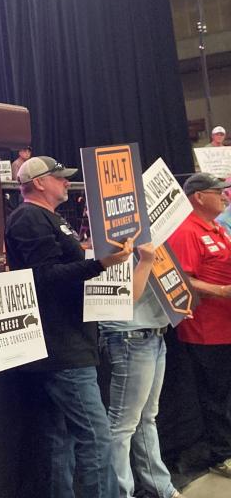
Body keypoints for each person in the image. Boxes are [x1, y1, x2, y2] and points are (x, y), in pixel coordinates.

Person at [5, 156, 136, 498]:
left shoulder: (47, 217)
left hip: (66, 340)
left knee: (58, 438)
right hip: (61, 346)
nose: (66, 182)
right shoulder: (29, 217)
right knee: (95, 437)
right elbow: (44, 277)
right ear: (38, 183)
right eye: (59, 177)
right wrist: (99, 264)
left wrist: (94, 260)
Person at [99, 248, 182, 498]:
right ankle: (121, 492)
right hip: (130, 333)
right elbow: (121, 295)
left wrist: (180, 299)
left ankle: (160, 487)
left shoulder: (155, 233)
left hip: (153, 330)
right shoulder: (117, 235)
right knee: (123, 424)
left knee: (146, 417)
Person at [167, 172, 231, 480]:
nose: (224, 196)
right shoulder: (187, 231)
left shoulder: (217, 228)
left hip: (225, 325)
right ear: (198, 197)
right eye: (217, 191)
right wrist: (221, 291)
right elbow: (181, 279)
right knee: (215, 396)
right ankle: (221, 454)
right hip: (206, 329)